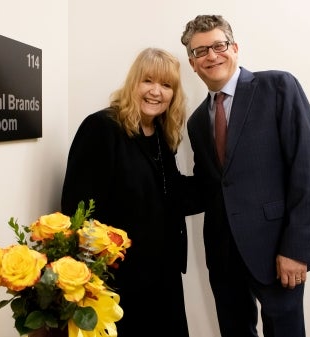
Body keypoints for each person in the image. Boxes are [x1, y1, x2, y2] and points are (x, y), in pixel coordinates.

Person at [180, 15, 310, 337]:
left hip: (277, 250)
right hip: (223, 254)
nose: (211, 56)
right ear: (192, 63)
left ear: (234, 47)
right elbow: (208, 186)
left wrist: (296, 248)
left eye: (218, 46)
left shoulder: (277, 87)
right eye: (200, 51)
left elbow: (307, 169)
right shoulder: (195, 122)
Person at [61, 47, 197, 337]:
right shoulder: (102, 127)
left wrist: (224, 183)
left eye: (166, 85)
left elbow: (171, 193)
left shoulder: (161, 133)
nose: (156, 92)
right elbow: (78, 210)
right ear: (133, 82)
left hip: (163, 275)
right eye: (148, 81)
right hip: (120, 280)